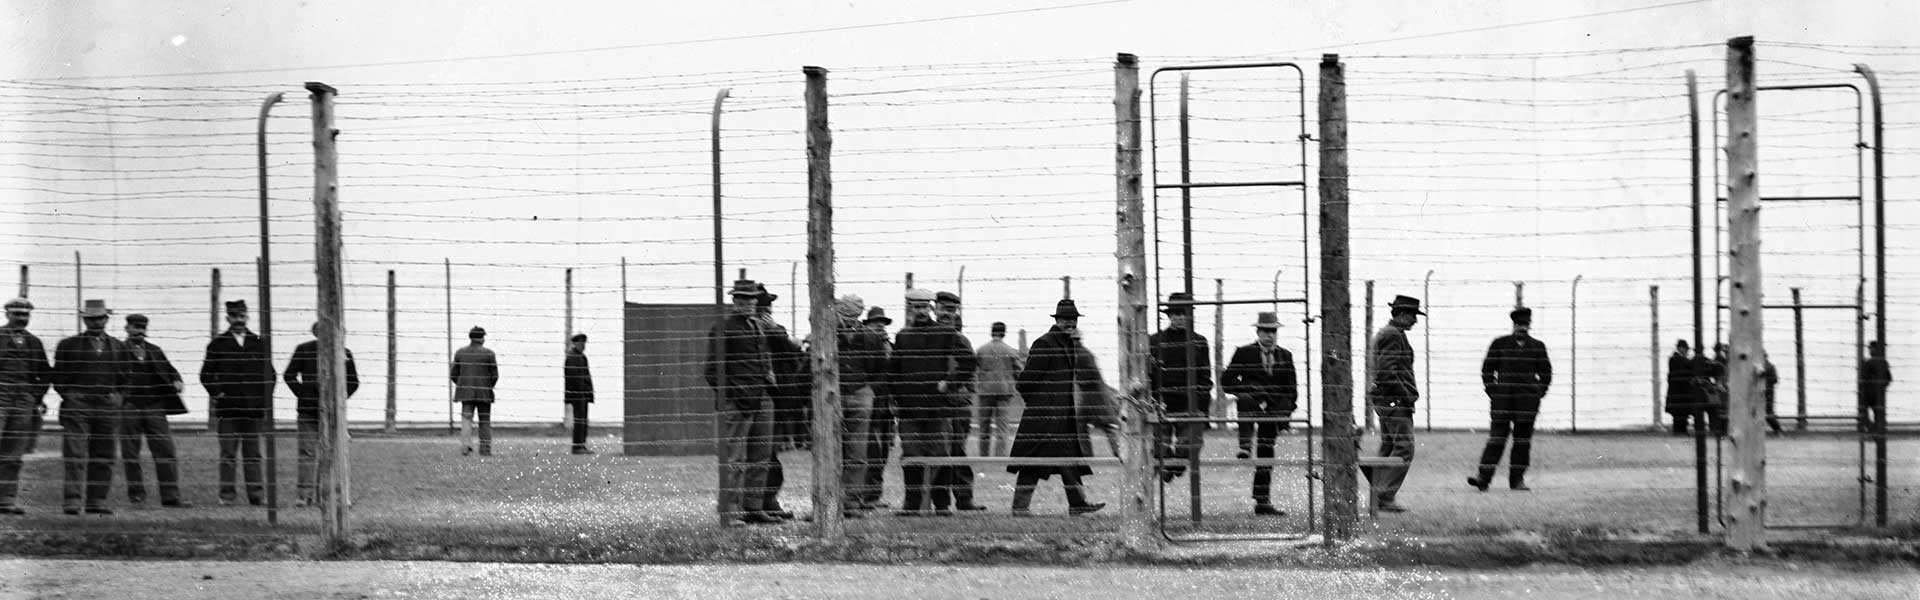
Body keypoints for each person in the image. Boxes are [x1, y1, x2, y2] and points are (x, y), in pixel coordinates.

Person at [1006, 299, 1105, 516]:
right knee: (1032, 460)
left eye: (1073, 320)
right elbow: (1024, 382)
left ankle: (1078, 504)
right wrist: (1040, 405)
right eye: (1066, 320)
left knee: (1069, 460)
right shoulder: (1045, 343)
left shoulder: (1067, 344)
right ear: (1057, 320)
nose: (1070, 324)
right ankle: (1019, 508)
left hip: (1062, 417)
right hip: (1044, 417)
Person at [889, 288, 978, 516]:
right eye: (915, 307)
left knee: (940, 456)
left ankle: (942, 504)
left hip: (938, 409)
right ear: (910, 309)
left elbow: (968, 363)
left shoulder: (946, 334)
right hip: (909, 410)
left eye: (923, 307)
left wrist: (949, 383)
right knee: (911, 457)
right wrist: (897, 398)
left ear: (929, 308)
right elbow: (893, 372)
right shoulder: (903, 336)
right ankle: (911, 505)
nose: (919, 311)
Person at [704, 279, 781, 525]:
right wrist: (732, 395)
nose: (747, 303)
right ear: (734, 300)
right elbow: (712, 371)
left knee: (761, 456)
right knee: (734, 458)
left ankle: (753, 507)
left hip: (761, 399)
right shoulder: (724, 327)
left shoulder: (757, 326)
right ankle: (730, 510)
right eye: (742, 298)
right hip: (738, 402)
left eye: (751, 299)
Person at [53, 299, 131, 515]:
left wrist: (119, 397)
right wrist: (70, 396)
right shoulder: (68, 345)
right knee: (75, 454)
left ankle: (96, 501)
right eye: (91, 318)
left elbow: (127, 379)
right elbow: (58, 377)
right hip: (78, 406)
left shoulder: (119, 347)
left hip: (108, 407)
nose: (95, 322)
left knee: (104, 456)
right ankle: (72, 501)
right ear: (84, 320)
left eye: (99, 318)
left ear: (106, 319)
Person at [1467, 306, 1552, 492]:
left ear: (1529, 325)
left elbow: (1546, 373)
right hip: (1502, 402)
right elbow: (1487, 370)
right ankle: (1483, 478)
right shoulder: (1499, 344)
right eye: (1519, 324)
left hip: (1527, 404)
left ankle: (1517, 480)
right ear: (1513, 325)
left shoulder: (1538, 347)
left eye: (1525, 324)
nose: (1522, 328)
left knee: (1522, 442)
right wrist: (1493, 391)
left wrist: (1538, 393)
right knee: (1496, 439)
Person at [199, 299, 275, 506]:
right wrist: (218, 394)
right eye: (234, 316)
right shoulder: (217, 345)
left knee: (253, 455)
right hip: (228, 411)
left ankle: (256, 495)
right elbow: (205, 375)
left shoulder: (259, 343)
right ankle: (227, 496)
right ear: (228, 318)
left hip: (252, 411)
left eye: (242, 316)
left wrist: (263, 402)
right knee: (228, 454)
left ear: (247, 316)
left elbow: (271, 375)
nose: (238, 320)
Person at [1221, 311, 1298, 516]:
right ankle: (1244, 445)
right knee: (1245, 402)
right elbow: (1227, 382)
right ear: (1258, 331)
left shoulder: (1285, 356)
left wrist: (1285, 411)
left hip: (1273, 411)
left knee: (1266, 452)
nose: (1270, 335)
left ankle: (1262, 501)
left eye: (1273, 331)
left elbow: (1291, 389)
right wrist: (1250, 390)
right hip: (1251, 403)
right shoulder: (1244, 353)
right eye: (1265, 331)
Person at [282, 321, 362, 506]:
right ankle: (304, 496)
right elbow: (289, 375)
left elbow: (353, 382)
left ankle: (333, 495)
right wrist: (304, 394)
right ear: (316, 333)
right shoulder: (304, 350)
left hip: (334, 414)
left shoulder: (344, 353)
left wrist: (340, 399)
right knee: (307, 453)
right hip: (308, 413)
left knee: (335, 454)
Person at [119, 313, 192, 508]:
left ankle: (171, 497)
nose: (140, 331)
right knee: (130, 454)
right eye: (135, 327)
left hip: (154, 408)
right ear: (127, 328)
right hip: (129, 408)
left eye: (143, 328)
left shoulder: (155, 351)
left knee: (166, 451)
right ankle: (136, 496)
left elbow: (170, 370)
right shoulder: (117, 350)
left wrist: (177, 380)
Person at [1363, 295, 1423, 513]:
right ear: (1402, 314)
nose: (1415, 320)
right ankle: (1385, 496)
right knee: (1405, 448)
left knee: (1389, 446)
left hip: (1388, 400)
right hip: (1394, 401)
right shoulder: (1393, 335)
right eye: (1413, 315)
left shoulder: (1390, 333)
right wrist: (1406, 395)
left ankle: (1377, 494)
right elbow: (1387, 371)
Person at [754, 284, 806, 520]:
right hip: (758, 399)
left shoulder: (774, 331)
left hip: (776, 401)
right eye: (767, 306)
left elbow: (789, 353)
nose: (769, 312)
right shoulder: (755, 331)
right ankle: (761, 502)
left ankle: (766, 500)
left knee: (767, 453)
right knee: (760, 455)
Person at [1149, 291, 1212, 483]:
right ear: (1169, 316)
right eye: (1176, 313)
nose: (1180, 317)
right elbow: (1149, 375)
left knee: (1191, 445)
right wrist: (1153, 401)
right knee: (1158, 446)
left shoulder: (1199, 341)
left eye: (1184, 313)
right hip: (1162, 402)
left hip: (1190, 403)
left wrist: (1201, 408)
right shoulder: (1155, 341)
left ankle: (1175, 465)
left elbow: (1205, 376)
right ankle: (1166, 466)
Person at [0, 298, 51, 516]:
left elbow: (45, 373)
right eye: (17, 314)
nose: (22, 319)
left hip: (23, 402)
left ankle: (5, 500)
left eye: (25, 315)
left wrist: (35, 396)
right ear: (7, 314)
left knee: (14, 453)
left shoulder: (34, 342)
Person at [931, 291, 980, 510]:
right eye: (943, 309)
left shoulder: (961, 340)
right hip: (935, 404)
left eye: (951, 310)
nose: (946, 314)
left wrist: (955, 387)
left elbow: (969, 370)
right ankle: (940, 501)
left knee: (957, 450)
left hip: (958, 403)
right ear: (935, 309)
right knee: (939, 451)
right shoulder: (927, 337)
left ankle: (964, 498)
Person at [858, 306, 896, 509]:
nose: (880, 325)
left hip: (886, 406)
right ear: (868, 325)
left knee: (882, 452)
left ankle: (874, 493)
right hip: (870, 404)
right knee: (869, 449)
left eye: (883, 322)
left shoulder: (890, 346)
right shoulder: (863, 345)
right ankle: (864, 493)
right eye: (876, 322)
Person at [973, 322, 1023, 457]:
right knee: (1002, 427)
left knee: (984, 426)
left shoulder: (981, 350)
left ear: (992, 332)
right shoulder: (1010, 351)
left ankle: (983, 456)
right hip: (1004, 392)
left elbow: (973, 369)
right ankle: (999, 457)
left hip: (985, 391)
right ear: (1004, 333)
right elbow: (1019, 371)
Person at [451, 326, 499, 456]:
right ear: (482, 339)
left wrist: (463, 384)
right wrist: (488, 385)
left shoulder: (460, 353)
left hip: (465, 393)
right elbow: (495, 376)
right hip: (484, 392)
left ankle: (465, 448)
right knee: (484, 420)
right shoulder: (489, 354)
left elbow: (453, 375)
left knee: (466, 419)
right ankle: (485, 449)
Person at [563, 333, 594, 454]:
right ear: (575, 343)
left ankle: (582, 444)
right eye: (581, 343)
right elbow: (573, 377)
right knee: (579, 421)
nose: (583, 346)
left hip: (583, 395)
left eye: (584, 343)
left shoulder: (581, 357)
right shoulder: (572, 357)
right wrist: (579, 392)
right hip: (578, 395)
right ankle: (577, 446)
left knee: (583, 421)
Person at [1665, 340, 1698, 435]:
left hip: (1678, 392)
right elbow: (1683, 372)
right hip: (1679, 392)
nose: (1687, 351)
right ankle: (1680, 431)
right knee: (1680, 413)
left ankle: (1680, 430)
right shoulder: (1677, 359)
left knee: (1680, 413)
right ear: (1680, 348)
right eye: (1686, 349)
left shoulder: (1676, 359)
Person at [1697, 343, 1729, 436]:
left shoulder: (1718, 359)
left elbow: (1719, 373)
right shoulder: (1721, 359)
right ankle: (1720, 430)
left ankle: (1717, 429)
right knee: (1720, 409)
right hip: (1721, 385)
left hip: (1720, 386)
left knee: (1718, 409)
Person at [1859, 340, 1891, 434]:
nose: (1870, 350)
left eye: (1871, 348)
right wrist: (1881, 387)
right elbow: (1888, 378)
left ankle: (1873, 429)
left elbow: (1863, 378)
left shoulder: (1869, 363)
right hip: (1878, 393)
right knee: (1878, 414)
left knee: (1863, 412)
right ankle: (1878, 429)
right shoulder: (1883, 362)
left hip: (1868, 393)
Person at [1762, 352, 1782, 434]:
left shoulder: (1766, 366)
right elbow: (1775, 380)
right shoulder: (1770, 366)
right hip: (1768, 392)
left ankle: (1777, 429)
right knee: (1768, 412)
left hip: (1766, 392)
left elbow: (1775, 379)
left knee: (1768, 413)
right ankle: (1777, 430)